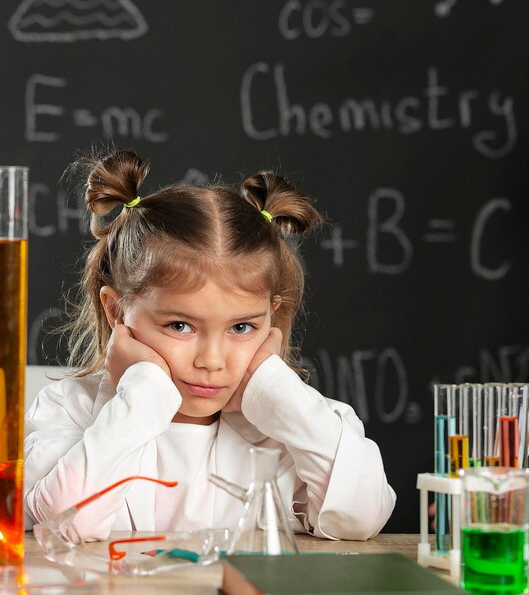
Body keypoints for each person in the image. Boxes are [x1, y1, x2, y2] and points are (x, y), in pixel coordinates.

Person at [24, 149, 396, 542]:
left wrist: (276, 391)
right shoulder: (67, 410)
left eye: (241, 327)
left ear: (272, 315)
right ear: (117, 312)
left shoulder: (297, 422)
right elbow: (63, 524)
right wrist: (144, 394)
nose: (212, 360)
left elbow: (362, 516)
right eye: (180, 325)